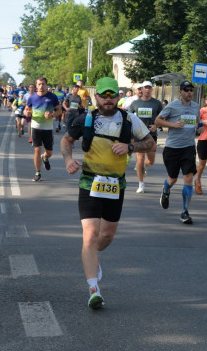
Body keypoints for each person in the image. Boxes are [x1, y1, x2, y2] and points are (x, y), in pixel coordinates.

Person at [62, 76, 155, 309]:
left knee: (106, 237)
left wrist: (130, 146)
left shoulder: (129, 119)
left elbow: (151, 143)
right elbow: (66, 140)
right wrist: (68, 159)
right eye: (103, 95)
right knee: (90, 235)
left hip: (115, 185)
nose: (108, 99)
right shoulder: (86, 118)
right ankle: (94, 288)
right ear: (96, 97)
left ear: (118, 96)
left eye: (112, 95)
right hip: (89, 182)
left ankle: (92, 257)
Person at [154, 81, 200, 224]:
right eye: (186, 90)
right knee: (172, 179)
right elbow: (157, 121)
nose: (189, 92)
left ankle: (185, 212)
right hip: (172, 148)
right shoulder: (173, 105)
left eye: (191, 90)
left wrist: (199, 128)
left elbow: (197, 121)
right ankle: (166, 189)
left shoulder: (196, 106)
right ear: (180, 92)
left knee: (188, 179)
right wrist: (173, 124)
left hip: (189, 148)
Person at [24, 77, 62, 182]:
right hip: (36, 127)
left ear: (46, 85)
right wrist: (26, 113)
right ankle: (38, 173)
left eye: (43, 84)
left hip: (48, 128)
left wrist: (52, 115)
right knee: (37, 149)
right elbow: (26, 110)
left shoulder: (52, 97)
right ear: (36, 86)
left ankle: (44, 158)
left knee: (49, 152)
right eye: (39, 84)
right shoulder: (32, 98)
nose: (41, 86)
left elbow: (59, 110)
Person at [128, 80, 163, 193]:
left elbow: (162, 118)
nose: (147, 90)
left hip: (151, 135)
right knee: (139, 158)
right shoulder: (135, 103)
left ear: (151, 89)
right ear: (141, 89)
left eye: (149, 88)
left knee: (151, 161)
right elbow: (128, 117)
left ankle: (144, 166)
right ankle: (141, 184)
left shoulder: (157, 103)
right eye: (145, 88)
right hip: (139, 134)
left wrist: (156, 126)